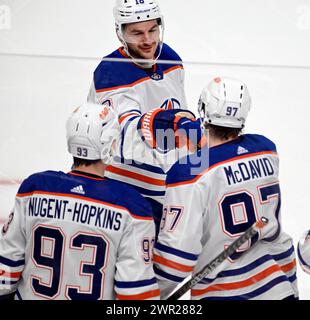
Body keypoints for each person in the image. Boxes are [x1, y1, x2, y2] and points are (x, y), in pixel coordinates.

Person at [154, 77, 299, 300]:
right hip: (278, 287)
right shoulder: (266, 151)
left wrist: (145, 297)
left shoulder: (188, 174)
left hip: (223, 294)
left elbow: (175, 262)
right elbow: (277, 238)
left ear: (202, 110)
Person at [0, 102, 160, 300]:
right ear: (110, 144)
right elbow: (135, 294)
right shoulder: (131, 207)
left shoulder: (35, 189)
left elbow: (5, 272)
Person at [87, 0, 188, 230]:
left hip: (166, 190)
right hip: (125, 190)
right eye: (137, 33)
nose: (148, 40)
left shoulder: (171, 59)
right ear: (120, 34)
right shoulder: (111, 71)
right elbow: (125, 138)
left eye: (153, 30)